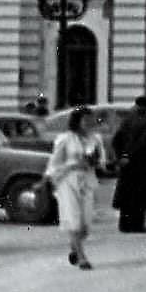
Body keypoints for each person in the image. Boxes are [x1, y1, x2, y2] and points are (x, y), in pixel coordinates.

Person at [44, 105, 102, 269]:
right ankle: (82, 257)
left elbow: (101, 161)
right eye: (85, 120)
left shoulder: (95, 139)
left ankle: (74, 245)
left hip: (87, 180)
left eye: (91, 120)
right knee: (73, 218)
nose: (89, 123)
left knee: (85, 223)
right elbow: (54, 162)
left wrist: (95, 161)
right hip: (68, 181)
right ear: (77, 121)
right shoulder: (65, 139)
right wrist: (51, 177)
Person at [111, 95, 146, 234]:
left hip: (126, 165)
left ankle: (124, 225)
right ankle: (138, 225)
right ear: (145, 107)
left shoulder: (127, 119)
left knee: (126, 195)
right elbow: (143, 144)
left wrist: (122, 157)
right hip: (139, 163)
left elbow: (116, 140)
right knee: (139, 196)